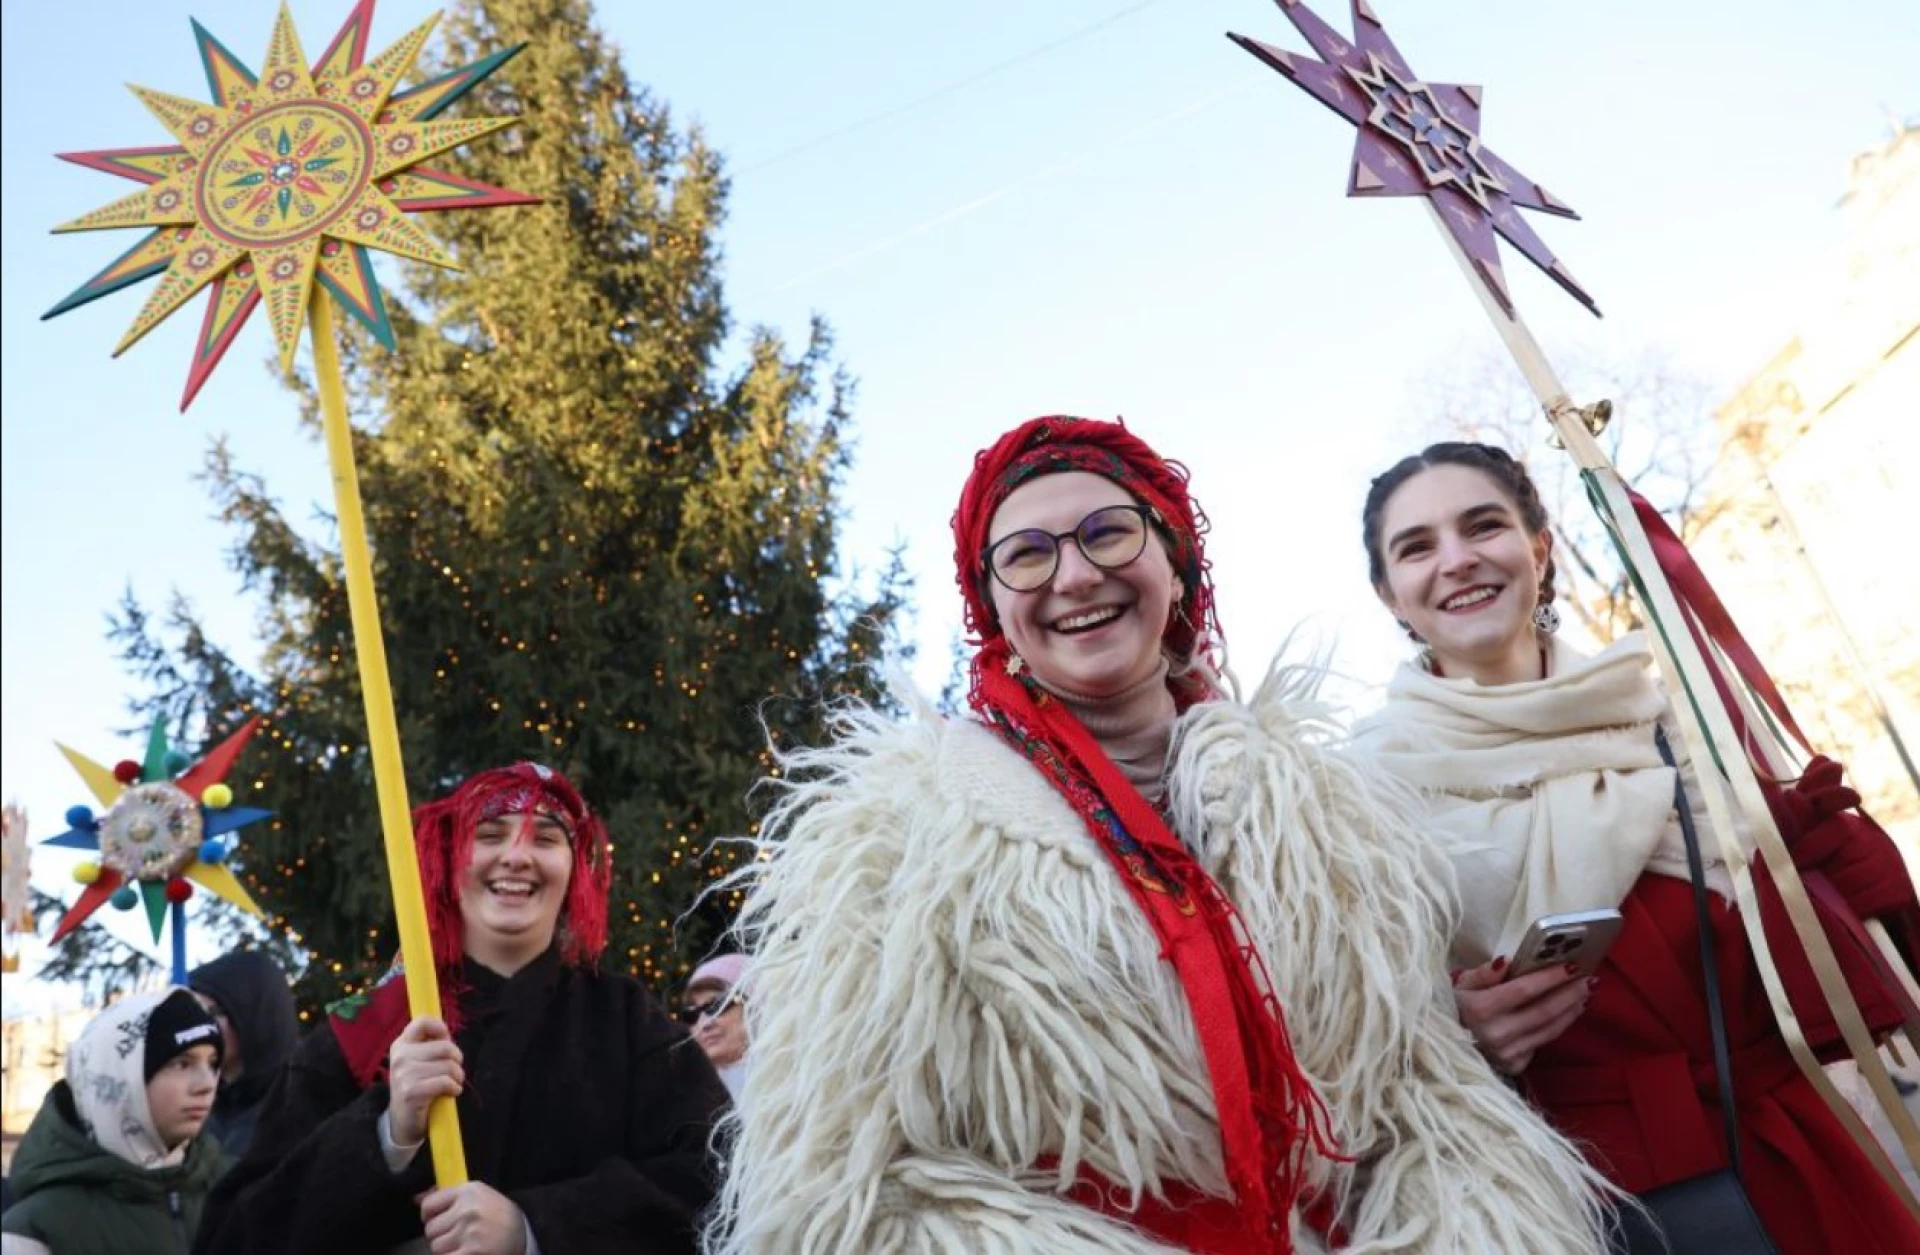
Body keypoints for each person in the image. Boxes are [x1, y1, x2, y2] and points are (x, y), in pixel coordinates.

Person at [706, 415, 1616, 1254]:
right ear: (994, 611)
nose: (1073, 574)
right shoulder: (897, 839)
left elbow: (1415, 1091)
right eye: (1025, 555)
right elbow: (842, 1184)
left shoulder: (1331, 816)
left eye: (1108, 533)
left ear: (1176, 566)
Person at [1353, 440, 1920, 1255]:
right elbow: (1350, 1038)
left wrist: (1830, 862)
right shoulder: (1359, 792)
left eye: (1484, 525)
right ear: (1390, 594)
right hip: (1575, 1204)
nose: (1457, 559)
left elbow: (1785, 963)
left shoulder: (1675, 725)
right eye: (1417, 546)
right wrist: (1459, 1029)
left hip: (1788, 1166)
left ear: (1539, 548)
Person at [194, 762, 728, 1255]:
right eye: (490, 834)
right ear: (450, 862)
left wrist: (535, 1228)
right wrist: (385, 1135)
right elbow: (235, 1237)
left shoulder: (627, 1021)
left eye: (545, 838)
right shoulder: (365, 1031)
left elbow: (719, 1180)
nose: (516, 856)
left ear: (574, 871)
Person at [3, 987, 226, 1255]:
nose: (207, 1083)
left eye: (212, 1063)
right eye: (181, 1063)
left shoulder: (239, 1189)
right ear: (118, 1075)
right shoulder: (34, 1231)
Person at [188, 949, 300, 1160]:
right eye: (193, 1010)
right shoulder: (195, 1102)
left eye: (211, 1012)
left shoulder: (299, 1112)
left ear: (253, 1018)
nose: (197, 1025)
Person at [680, 953, 750, 1100]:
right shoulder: (685, 1100)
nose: (704, 1024)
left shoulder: (800, 1082)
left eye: (717, 1006)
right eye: (691, 1014)